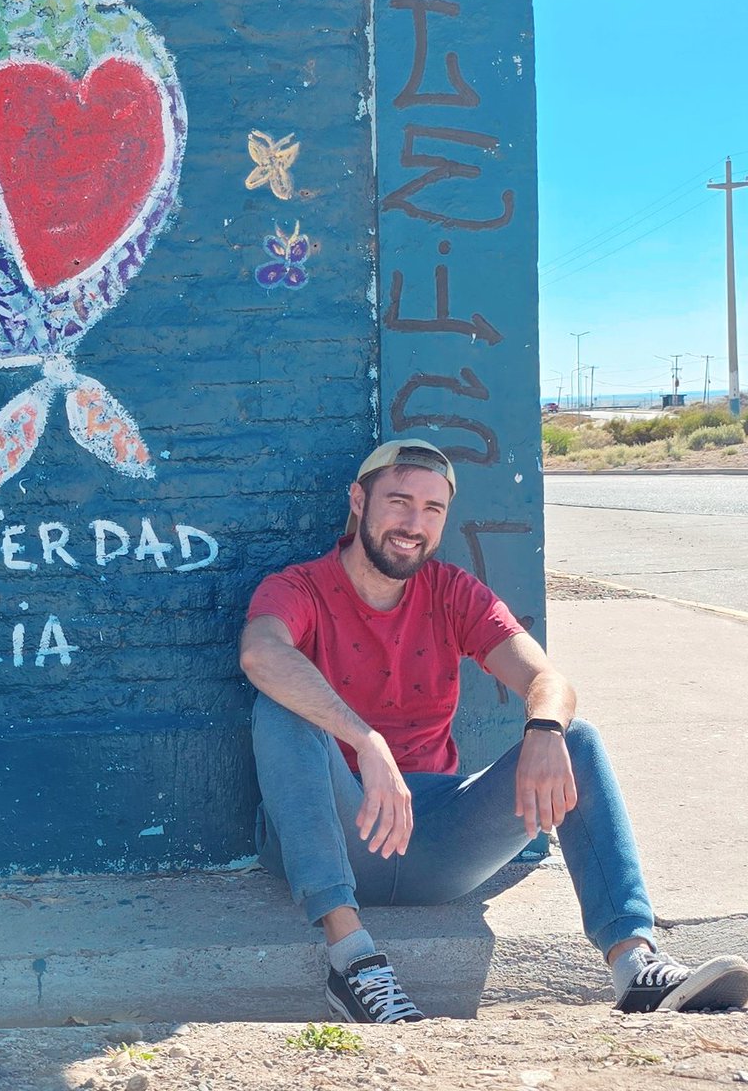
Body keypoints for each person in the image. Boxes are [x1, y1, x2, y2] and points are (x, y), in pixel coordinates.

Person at [239, 438, 748, 1025]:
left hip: (437, 842)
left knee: (574, 738)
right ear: (359, 500)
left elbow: (547, 678)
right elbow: (261, 653)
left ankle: (635, 965)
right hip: (334, 827)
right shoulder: (299, 586)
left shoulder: (451, 592)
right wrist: (365, 740)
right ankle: (353, 964)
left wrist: (543, 727)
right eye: (399, 502)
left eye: (432, 510)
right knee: (281, 709)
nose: (413, 524)